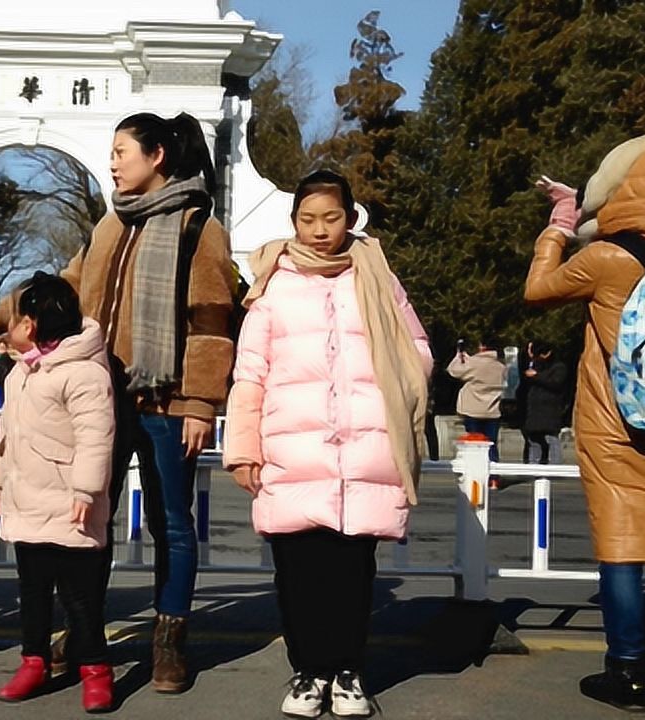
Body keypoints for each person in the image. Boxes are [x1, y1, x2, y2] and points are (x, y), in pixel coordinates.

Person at [0, 112, 239, 691]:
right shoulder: (111, 225)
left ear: (157, 154)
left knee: (172, 525)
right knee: (87, 520)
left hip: (168, 403)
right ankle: (85, 634)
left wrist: (201, 403)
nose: (113, 161)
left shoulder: (198, 226)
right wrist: (1, 315)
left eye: (121, 150)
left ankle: (169, 641)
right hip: (104, 399)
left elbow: (213, 320)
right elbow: (62, 287)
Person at [224, 170, 433, 718]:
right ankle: (307, 672)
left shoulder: (377, 277)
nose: (320, 230)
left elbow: (416, 350)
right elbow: (249, 373)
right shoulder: (272, 283)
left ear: (351, 217)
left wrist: (397, 388)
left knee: (353, 572)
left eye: (332, 218)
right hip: (292, 450)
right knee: (297, 573)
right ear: (294, 221)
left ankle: (347, 671)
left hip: (364, 450)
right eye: (309, 219)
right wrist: (243, 447)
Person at [525, 135, 645, 712]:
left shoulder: (608, 259)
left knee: (622, 547)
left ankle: (627, 673)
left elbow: (537, 292)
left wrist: (559, 226)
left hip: (618, 421)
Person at [0, 272, 116, 713]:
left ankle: (96, 668)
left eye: (17, 314)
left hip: (69, 505)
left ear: (35, 323)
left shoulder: (84, 373)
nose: (10, 322)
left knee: (80, 597)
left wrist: (86, 490)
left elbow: (97, 436)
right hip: (27, 501)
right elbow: (7, 433)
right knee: (33, 591)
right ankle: (33, 660)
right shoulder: (20, 373)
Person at [447, 337, 507, 463]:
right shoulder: (500, 365)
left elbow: (454, 371)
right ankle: (493, 478)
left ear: (483, 347)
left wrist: (459, 356)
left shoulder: (475, 363)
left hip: (473, 410)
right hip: (492, 410)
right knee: (491, 444)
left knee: (475, 444)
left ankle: (476, 475)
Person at [520, 341, 568, 465]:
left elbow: (555, 383)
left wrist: (537, 376)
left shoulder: (558, 367)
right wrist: (530, 357)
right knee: (533, 440)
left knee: (551, 439)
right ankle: (533, 465)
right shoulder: (536, 365)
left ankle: (555, 466)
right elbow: (525, 374)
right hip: (534, 409)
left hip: (550, 409)